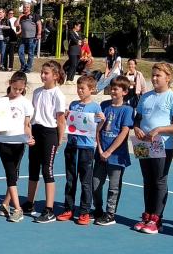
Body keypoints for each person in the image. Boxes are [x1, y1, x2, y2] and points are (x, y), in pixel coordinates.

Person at [132, 62, 173, 235]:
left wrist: (159, 129)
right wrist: (136, 128)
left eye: (158, 75)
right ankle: (147, 215)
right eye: (153, 75)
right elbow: (138, 118)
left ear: (168, 78)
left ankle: (156, 219)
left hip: (162, 145)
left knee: (159, 181)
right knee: (147, 180)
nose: (154, 78)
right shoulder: (145, 97)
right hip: (142, 143)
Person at [26, 61, 67, 223]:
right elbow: (32, 116)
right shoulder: (37, 92)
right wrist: (29, 134)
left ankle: (49, 209)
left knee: (47, 170)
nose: (43, 75)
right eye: (42, 72)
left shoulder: (58, 94)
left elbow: (61, 120)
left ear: (55, 76)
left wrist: (59, 140)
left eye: (46, 73)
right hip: (36, 131)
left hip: (50, 134)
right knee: (33, 168)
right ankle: (29, 203)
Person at [61, 75, 105, 224]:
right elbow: (70, 123)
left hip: (86, 147)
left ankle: (85, 211)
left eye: (82, 88)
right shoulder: (73, 104)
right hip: (72, 145)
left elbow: (97, 128)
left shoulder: (95, 107)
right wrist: (66, 116)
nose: (79, 91)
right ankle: (68, 208)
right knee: (70, 179)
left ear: (91, 89)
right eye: (78, 88)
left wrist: (102, 120)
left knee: (85, 181)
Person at [92, 76, 134, 226]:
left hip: (117, 156)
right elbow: (97, 128)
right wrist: (100, 149)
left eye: (116, 89)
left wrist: (109, 151)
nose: (113, 91)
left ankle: (110, 213)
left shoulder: (128, 110)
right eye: (111, 88)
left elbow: (124, 132)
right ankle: (97, 209)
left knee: (113, 187)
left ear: (125, 92)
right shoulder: (104, 105)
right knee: (95, 184)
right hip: (100, 153)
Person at [0, 71, 34, 223]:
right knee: (10, 174)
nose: (17, 91)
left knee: (13, 175)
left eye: (20, 89)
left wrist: (29, 137)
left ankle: (7, 205)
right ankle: (17, 208)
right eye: (15, 88)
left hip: (18, 144)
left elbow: (26, 125)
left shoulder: (25, 103)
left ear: (24, 88)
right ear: (10, 84)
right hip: (4, 142)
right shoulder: (1, 101)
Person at [16, 4, 42, 73]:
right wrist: (19, 17)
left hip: (32, 38)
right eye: (24, 7)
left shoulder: (35, 15)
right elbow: (16, 24)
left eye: (27, 7)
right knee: (20, 52)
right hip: (23, 38)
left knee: (30, 53)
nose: (26, 8)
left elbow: (39, 24)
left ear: (30, 8)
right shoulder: (21, 17)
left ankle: (28, 68)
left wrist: (39, 33)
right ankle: (23, 66)